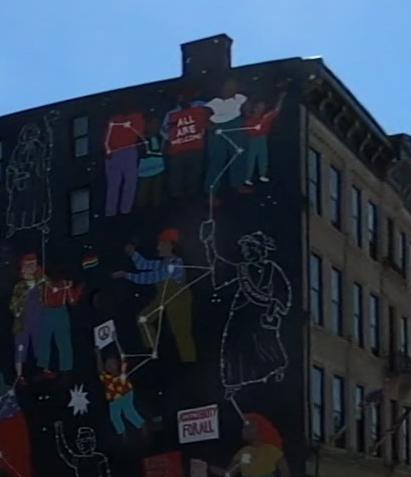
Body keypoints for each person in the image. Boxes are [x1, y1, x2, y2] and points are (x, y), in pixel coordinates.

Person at [201, 221, 291, 400]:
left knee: (266, 346)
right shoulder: (241, 269)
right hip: (241, 315)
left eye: (248, 248)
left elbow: (282, 292)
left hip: (261, 315)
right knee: (233, 348)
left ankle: (277, 369)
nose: (244, 251)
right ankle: (232, 383)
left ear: (258, 249)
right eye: (244, 248)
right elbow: (219, 268)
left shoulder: (272, 269)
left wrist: (274, 307)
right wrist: (208, 244)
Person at [111, 228, 197, 363]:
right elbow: (143, 265)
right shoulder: (162, 263)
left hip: (179, 300)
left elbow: (151, 277)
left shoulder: (176, 264)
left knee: (181, 332)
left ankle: (189, 361)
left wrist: (126, 275)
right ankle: (152, 351)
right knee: (143, 319)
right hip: (163, 298)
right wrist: (133, 253)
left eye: (161, 244)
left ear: (170, 245)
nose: (157, 247)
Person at [161, 89, 209, 197]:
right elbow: (164, 132)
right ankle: (176, 198)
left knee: (195, 175)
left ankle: (193, 196)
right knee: (176, 176)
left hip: (196, 149)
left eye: (186, 96)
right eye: (181, 97)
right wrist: (174, 136)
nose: (183, 98)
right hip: (177, 151)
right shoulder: (171, 113)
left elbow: (212, 111)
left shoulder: (199, 106)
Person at [204, 79, 248, 193]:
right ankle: (211, 192)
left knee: (239, 156)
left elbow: (247, 110)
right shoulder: (214, 103)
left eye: (233, 86)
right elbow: (203, 119)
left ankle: (238, 183)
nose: (230, 89)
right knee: (217, 161)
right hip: (218, 130)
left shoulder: (240, 98)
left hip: (235, 126)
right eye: (227, 86)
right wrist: (211, 127)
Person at [36, 271, 83, 376]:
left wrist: (76, 289)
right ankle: (44, 366)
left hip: (60, 312)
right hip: (47, 311)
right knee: (44, 340)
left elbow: (72, 301)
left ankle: (66, 368)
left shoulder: (64, 284)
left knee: (63, 341)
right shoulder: (43, 281)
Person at [95, 343, 145, 438]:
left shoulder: (122, 372)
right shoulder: (106, 377)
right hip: (113, 399)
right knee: (115, 417)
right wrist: (98, 354)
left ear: (117, 364)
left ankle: (143, 429)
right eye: (107, 364)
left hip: (125, 394)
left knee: (129, 413)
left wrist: (117, 343)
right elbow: (99, 369)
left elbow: (123, 357)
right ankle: (123, 436)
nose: (109, 366)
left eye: (112, 363)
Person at [104, 107, 145, 216]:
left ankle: (121, 211)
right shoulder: (133, 117)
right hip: (119, 152)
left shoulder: (136, 117)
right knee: (118, 185)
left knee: (126, 184)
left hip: (126, 151)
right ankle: (116, 212)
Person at [10, 253, 43, 378]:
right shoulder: (19, 286)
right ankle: (19, 375)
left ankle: (42, 370)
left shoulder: (41, 283)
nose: (29, 269)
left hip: (38, 320)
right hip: (22, 323)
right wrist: (17, 310)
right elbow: (13, 304)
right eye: (27, 266)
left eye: (32, 265)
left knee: (40, 347)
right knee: (20, 348)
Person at [243, 93, 285, 186]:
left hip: (262, 138)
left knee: (263, 157)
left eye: (263, 107)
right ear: (255, 108)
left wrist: (281, 98)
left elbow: (276, 110)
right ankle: (247, 177)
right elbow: (247, 130)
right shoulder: (249, 119)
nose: (261, 108)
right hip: (252, 140)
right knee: (251, 159)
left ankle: (262, 174)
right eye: (259, 107)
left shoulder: (266, 117)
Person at [137, 117, 165, 209]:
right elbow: (142, 154)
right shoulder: (141, 138)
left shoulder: (160, 137)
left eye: (157, 124)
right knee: (143, 196)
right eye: (153, 124)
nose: (155, 126)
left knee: (157, 194)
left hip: (159, 169)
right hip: (145, 172)